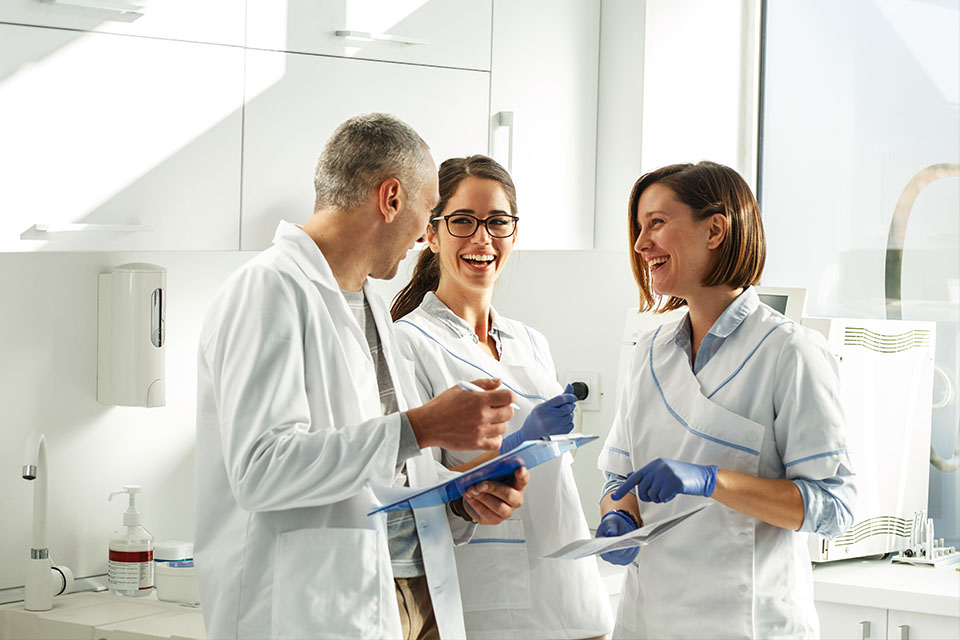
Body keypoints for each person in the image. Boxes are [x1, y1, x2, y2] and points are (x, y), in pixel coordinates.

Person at [195, 114, 530, 640]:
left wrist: (461, 497)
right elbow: (260, 470)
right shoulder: (267, 291)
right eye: (428, 211)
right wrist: (421, 428)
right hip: (309, 610)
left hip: (410, 592)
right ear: (391, 198)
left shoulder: (374, 301)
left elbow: (380, 472)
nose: (425, 235)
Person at [596, 161, 857, 639]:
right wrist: (617, 512)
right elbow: (620, 473)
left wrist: (711, 481)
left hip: (748, 624)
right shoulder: (649, 353)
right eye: (638, 227)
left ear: (715, 229)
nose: (640, 244)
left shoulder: (789, 352)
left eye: (656, 222)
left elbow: (833, 506)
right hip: (649, 620)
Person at [391, 155, 614, 640]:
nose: (482, 238)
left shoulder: (531, 342)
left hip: (569, 589)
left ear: (514, 232)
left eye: (497, 222)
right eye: (463, 221)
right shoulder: (408, 344)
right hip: (483, 597)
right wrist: (518, 443)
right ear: (431, 233)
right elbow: (417, 496)